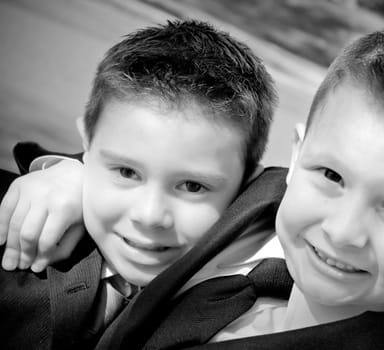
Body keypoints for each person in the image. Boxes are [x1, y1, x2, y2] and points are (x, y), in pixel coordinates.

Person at [1, 23, 384, 349]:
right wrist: (67, 175)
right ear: (297, 155)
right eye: (332, 176)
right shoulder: (265, 200)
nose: (342, 230)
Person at [0, 19, 277, 349]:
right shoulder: (15, 229)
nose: (149, 215)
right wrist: (66, 168)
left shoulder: (253, 291)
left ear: (246, 183)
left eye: (192, 186)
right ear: (87, 144)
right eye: (126, 172)